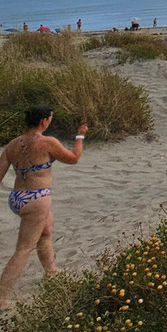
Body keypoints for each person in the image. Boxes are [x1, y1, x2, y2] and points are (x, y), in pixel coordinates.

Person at [0, 107, 87, 310]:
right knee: (23, 249)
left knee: (46, 231)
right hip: (37, 199)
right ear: (43, 121)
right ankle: (2, 297)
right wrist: (80, 135)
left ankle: (51, 272)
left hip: (17, 197)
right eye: (49, 119)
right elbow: (74, 157)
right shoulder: (47, 142)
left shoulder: (13, 144)